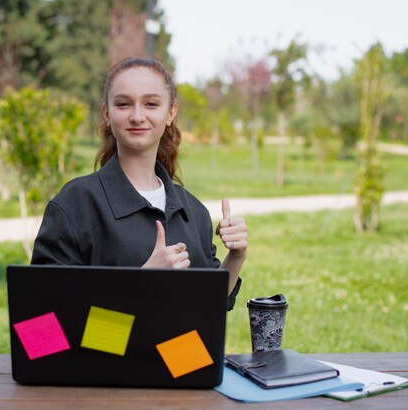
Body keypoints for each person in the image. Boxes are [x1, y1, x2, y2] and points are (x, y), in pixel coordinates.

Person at [31, 57, 248, 310]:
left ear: (171, 113)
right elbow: (40, 327)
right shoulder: (75, 204)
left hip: (189, 352)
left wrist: (236, 256)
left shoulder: (195, 213)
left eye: (151, 104)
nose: (137, 116)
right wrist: (140, 283)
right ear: (107, 113)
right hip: (107, 350)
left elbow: (209, 306)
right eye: (123, 104)